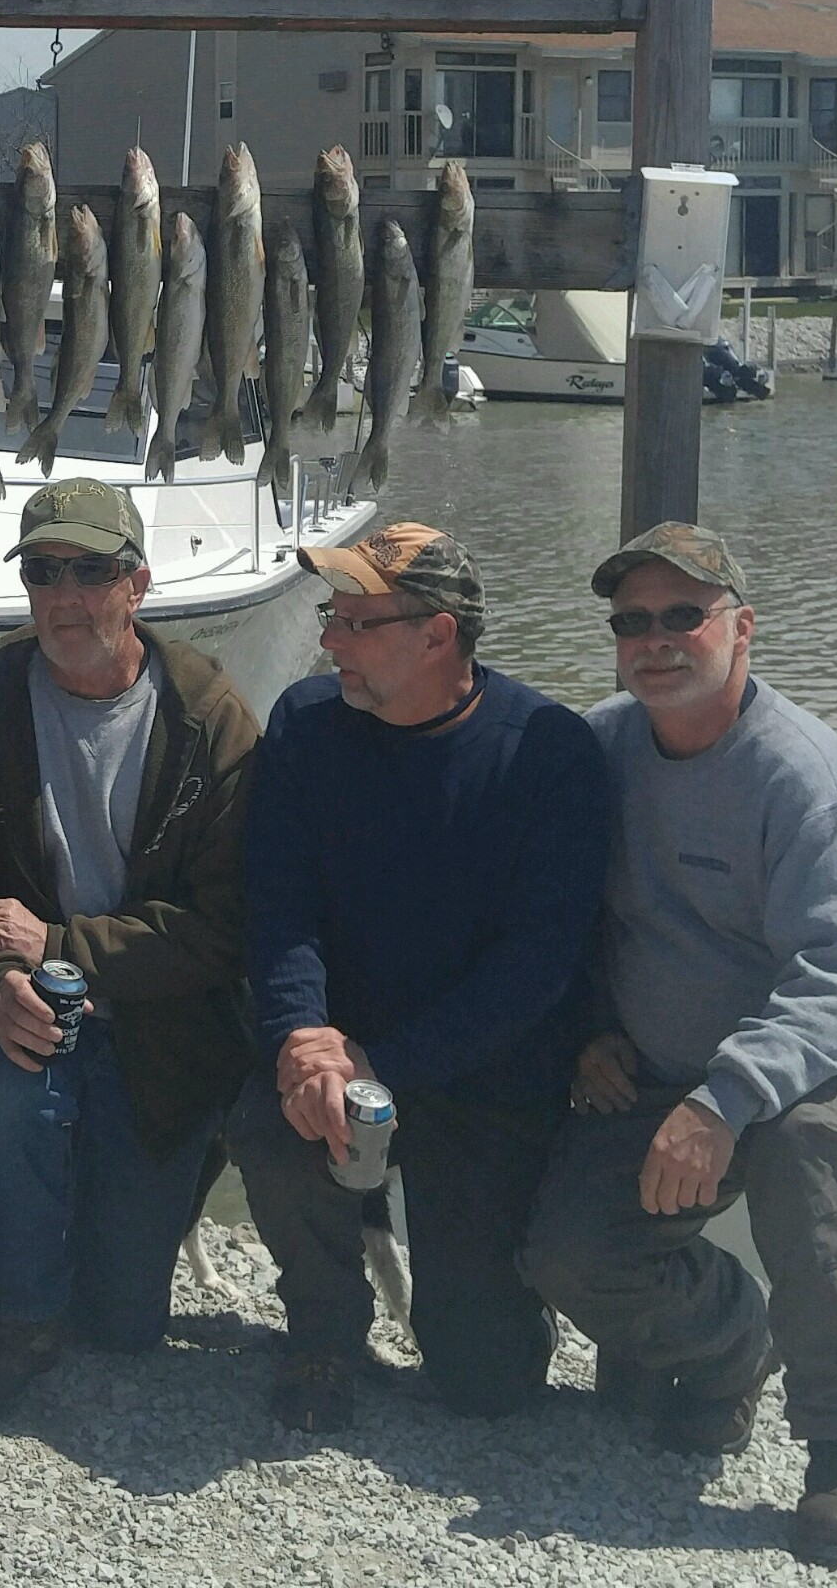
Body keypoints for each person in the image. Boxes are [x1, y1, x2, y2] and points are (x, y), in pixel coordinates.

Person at [518, 524, 837, 1567]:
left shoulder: (803, 778)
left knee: (802, 1153)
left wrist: (722, 1099)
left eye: (681, 616)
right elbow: (569, 912)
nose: (653, 640)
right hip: (652, 1056)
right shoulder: (602, 744)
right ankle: (730, 1345)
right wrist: (591, 1028)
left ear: (742, 628)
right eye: (630, 622)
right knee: (564, 1253)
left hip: (822, 1055)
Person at [234, 523, 609, 1433]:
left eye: (358, 624)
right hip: (340, 1060)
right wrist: (302, 1037)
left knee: (485, 1383)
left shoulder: (548, 755)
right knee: (266, 1121)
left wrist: (383, 1060)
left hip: (482, 1079)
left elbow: (536, 969)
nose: (329, 642)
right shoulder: (305, 723)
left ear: (437, 634)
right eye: (334, 617)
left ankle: (500, 1300)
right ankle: (322, 1330)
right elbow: (278, 907)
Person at [0, 477, 258, 1417]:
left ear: (135, 584)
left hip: (160, 1023)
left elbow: (226, 928)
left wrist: (63, 941)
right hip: (27, 1004)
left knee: (122, 1323)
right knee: (3, 1092)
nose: (64, 596)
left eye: (90, 571)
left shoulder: (209, 719)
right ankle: (12, 1317)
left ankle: (138, 1213)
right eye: (44, 572)